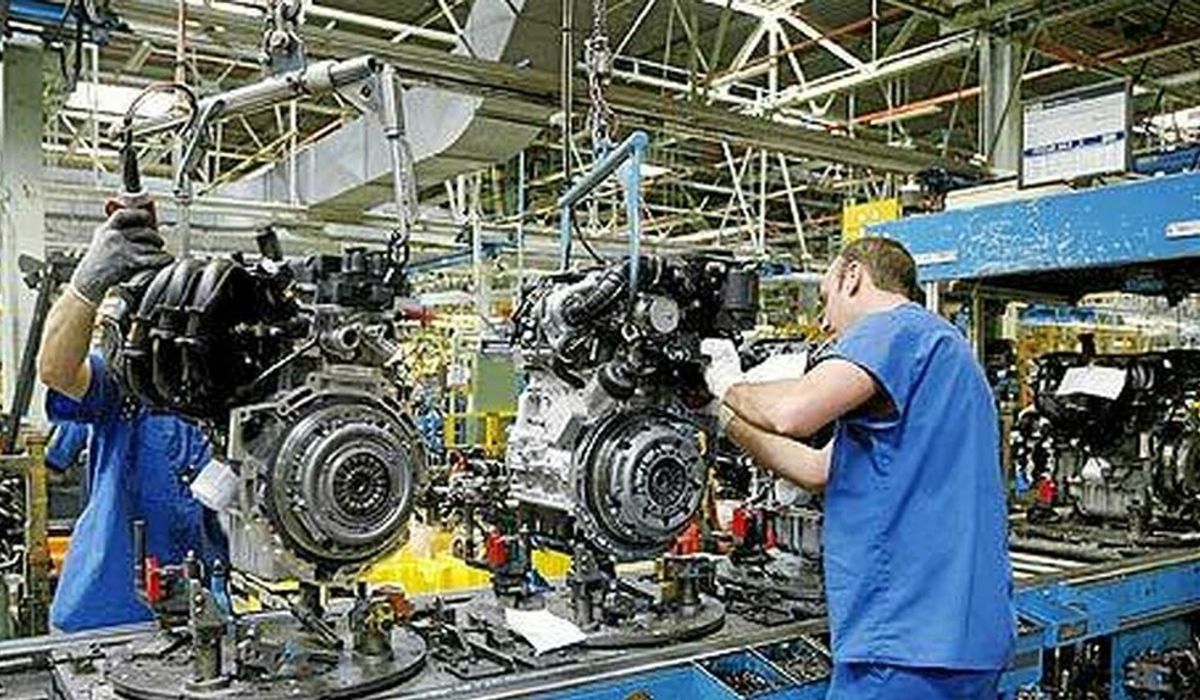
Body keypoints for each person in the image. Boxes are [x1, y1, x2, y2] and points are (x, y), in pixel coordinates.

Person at [702, 237, 1014, 698]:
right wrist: (726, 420)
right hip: (965, 641)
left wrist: (726, 382)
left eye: (825, 298)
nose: (825, 322)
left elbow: (792, 412)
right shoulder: (943, 352)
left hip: (905, 642)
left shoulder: (894, 328)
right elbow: (817, 469)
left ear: (852, 276)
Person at [37, 209, 228, 632]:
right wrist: (87, 284)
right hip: (105, 613)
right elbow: (56, 369)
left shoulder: (230, 399)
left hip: (203, 612)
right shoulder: (125, 379)